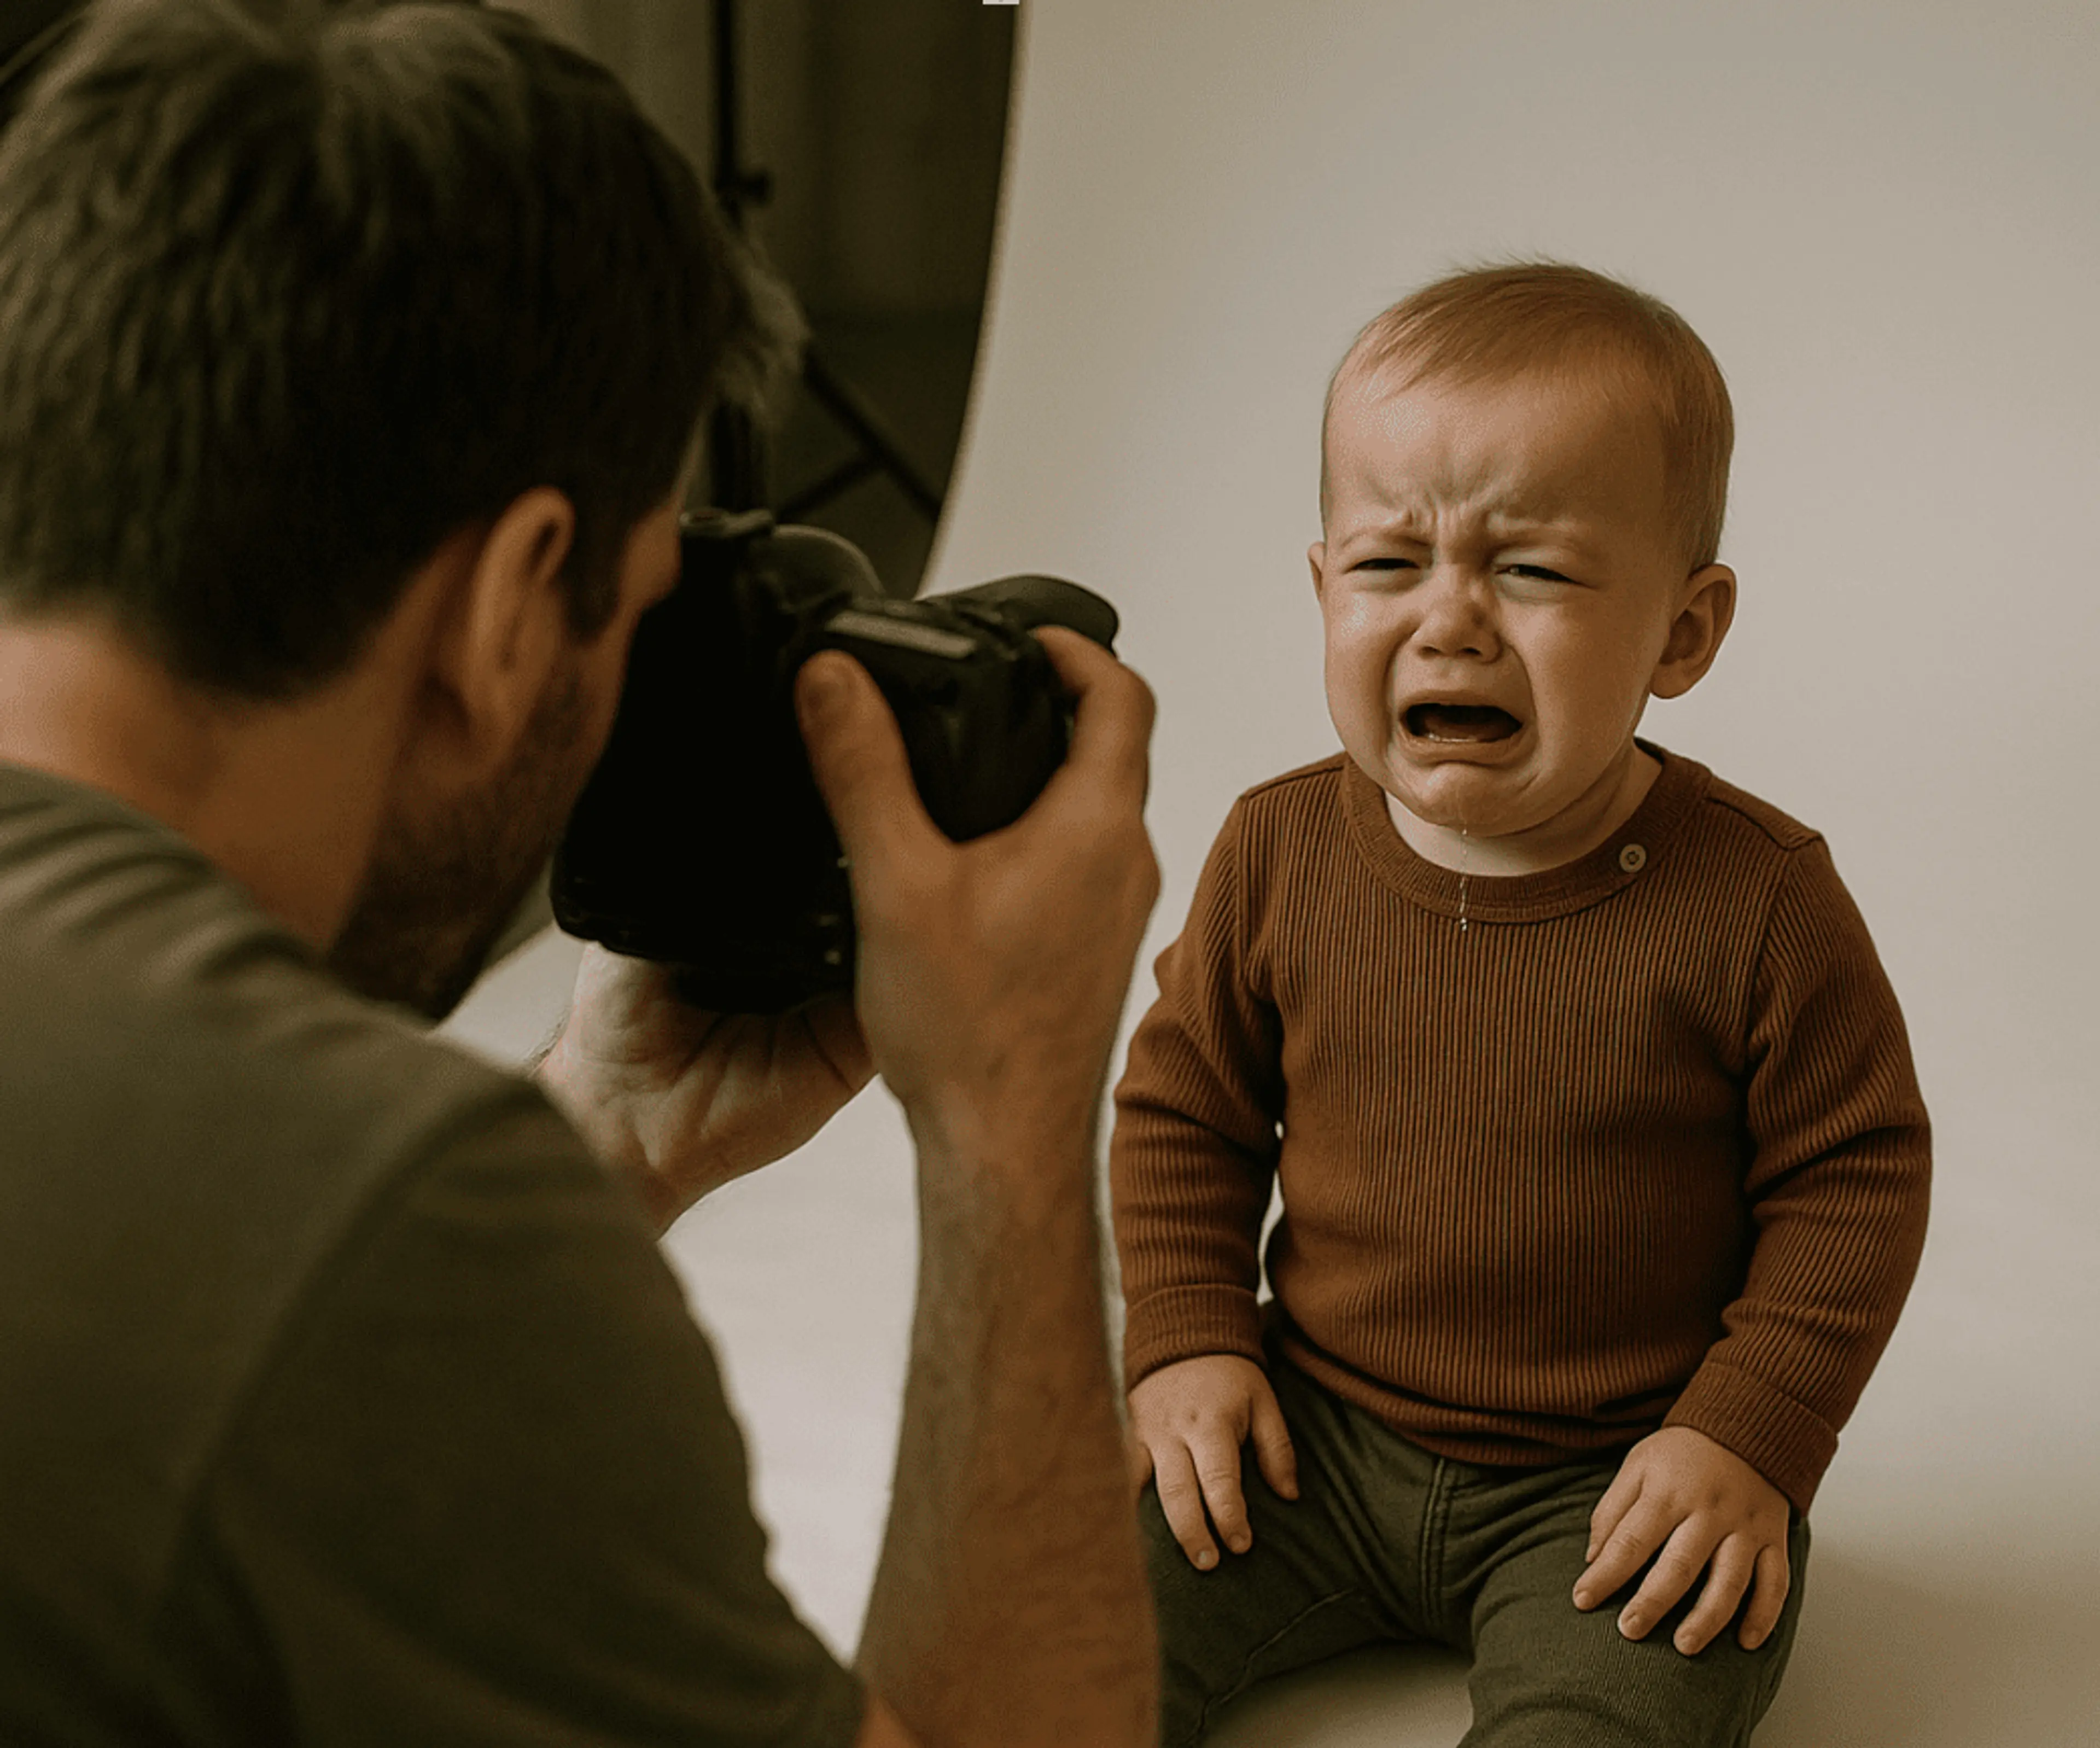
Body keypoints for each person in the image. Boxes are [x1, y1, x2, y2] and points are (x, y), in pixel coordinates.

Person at [0, 3, 1160, 1744]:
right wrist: (1008, 1127)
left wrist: (602, 1137)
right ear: (510, 598)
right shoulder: (382, 1223)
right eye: (632, 604)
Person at [1111, 261, 1932, 1745]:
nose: (1451, 621)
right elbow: (1186, 1111)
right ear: (1320, 590)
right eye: (1388, 564)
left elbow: (1856, 1176)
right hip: (1308, 1435)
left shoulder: (1759, 898)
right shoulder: (1276, 849)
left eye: (1533, 571)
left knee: (1616, 1709)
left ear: (1683, 634)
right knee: (1059, 1625)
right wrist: (1189, 1336)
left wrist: (1743, 1431)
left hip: (1616, 1480)